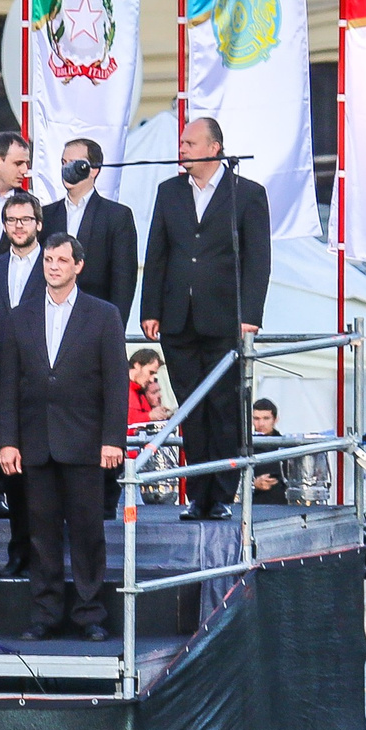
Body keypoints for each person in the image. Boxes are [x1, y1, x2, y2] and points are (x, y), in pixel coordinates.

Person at [138, 116, 271, 522]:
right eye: (181, 142)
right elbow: (157, 251)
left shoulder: (245, 194)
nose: (183, 149)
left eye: (190, 142)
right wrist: (150, 309)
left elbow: (258, 260)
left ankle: (221, 495)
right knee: (191, 408)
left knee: (223, 407)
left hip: (224, 318)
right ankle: (196, 494)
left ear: (215, 148)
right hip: (178, 318)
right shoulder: (169, 192)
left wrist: (250, 315)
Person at [0, 233, 127, 641]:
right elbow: (9, 385)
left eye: (60, 260)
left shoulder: (103, 315)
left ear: (78, 266)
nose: (52, 266)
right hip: (35, 443)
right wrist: (7, 440)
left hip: (86, 442)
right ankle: (46, 615)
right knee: (42, 534)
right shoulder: (21, 315)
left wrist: (113, 439)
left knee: (89, 532)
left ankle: (90, 614)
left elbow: (116, 382)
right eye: (48, 259)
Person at [0, 190, 47, 574]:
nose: (18, 226)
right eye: (11, 220)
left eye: (25, 219)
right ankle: (18, 551)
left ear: (38, 223)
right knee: (10, 472)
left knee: (40, 474)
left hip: (42, 388)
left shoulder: (53, 265)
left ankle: (42, 553)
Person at [41, 139, 138, 311]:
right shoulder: (46, 215)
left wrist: (115, 326)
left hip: (96, 318)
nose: (66, 169)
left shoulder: (116, 216)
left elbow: (123, 279)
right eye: (64, 163)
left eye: (74, 163)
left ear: (94, 169)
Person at [248, 399, 287, 500]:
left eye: (266, 418)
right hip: (253, 505)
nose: (261, 423)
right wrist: (254, 484)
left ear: (275, 419)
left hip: (283, 505)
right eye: (256, 418)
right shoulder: (245, 447)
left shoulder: (286, 447)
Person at [127, 349, 165, 428]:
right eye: (151, 373)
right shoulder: (117, 389)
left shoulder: (140, 392)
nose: (151, 379)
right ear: (137, 365)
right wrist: (149, 416)